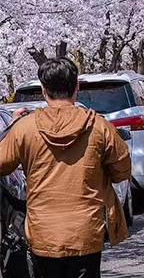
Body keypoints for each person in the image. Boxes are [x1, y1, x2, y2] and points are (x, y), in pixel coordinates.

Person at [0, 57, 131, 278]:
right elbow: (123, 170)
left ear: (43, 89)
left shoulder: (25, 128)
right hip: (86, 230)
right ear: (76, 87)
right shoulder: (98, 126)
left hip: (43, 232)